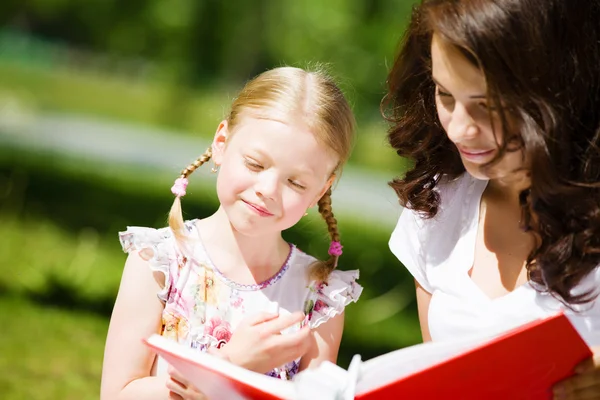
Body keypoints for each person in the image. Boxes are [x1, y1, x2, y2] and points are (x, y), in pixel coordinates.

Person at [100, 66, 362, 400]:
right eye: (255, 164)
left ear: (320, 192)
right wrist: (226, 365)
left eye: (295, 182)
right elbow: (117, 394)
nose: (267, 189)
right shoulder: (159, 263)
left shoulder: (319, 298)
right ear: (221, 142)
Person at [383, 0, 600, 398]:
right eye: (445, 95)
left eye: (487, 106)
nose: (461, 130)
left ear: (558, 90)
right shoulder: (436, 205)